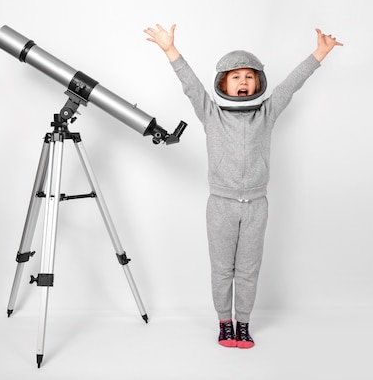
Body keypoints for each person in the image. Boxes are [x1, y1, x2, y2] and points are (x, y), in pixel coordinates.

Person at [144, 24, 342, 348]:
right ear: (223, 82)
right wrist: (170, 50)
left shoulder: (267, 113)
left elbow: (291, 85)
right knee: (222, 268)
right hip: (220, 205)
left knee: (249, 269)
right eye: (236, 77)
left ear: (258, 82)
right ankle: (224, 322)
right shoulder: (210, 114)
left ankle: (244, 324)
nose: (243, 81)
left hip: (256, 206)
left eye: (249, 76)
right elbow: (191, 86)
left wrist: (319, 53)